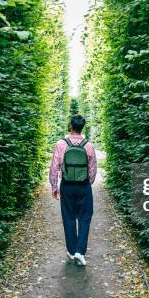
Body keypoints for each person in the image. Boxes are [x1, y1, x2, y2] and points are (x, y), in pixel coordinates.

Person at [49, 114, 97, 266]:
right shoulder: (88, 145)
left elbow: (54, 167)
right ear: (82, 127)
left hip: (67, 185)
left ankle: (71, 250)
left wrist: (54, 186)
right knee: (85, 217)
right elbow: (93, 169)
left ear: (70, 126)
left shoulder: (61, 144)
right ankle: (80, 252)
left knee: (68, 217)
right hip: (83, 186)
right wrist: (87, 183)